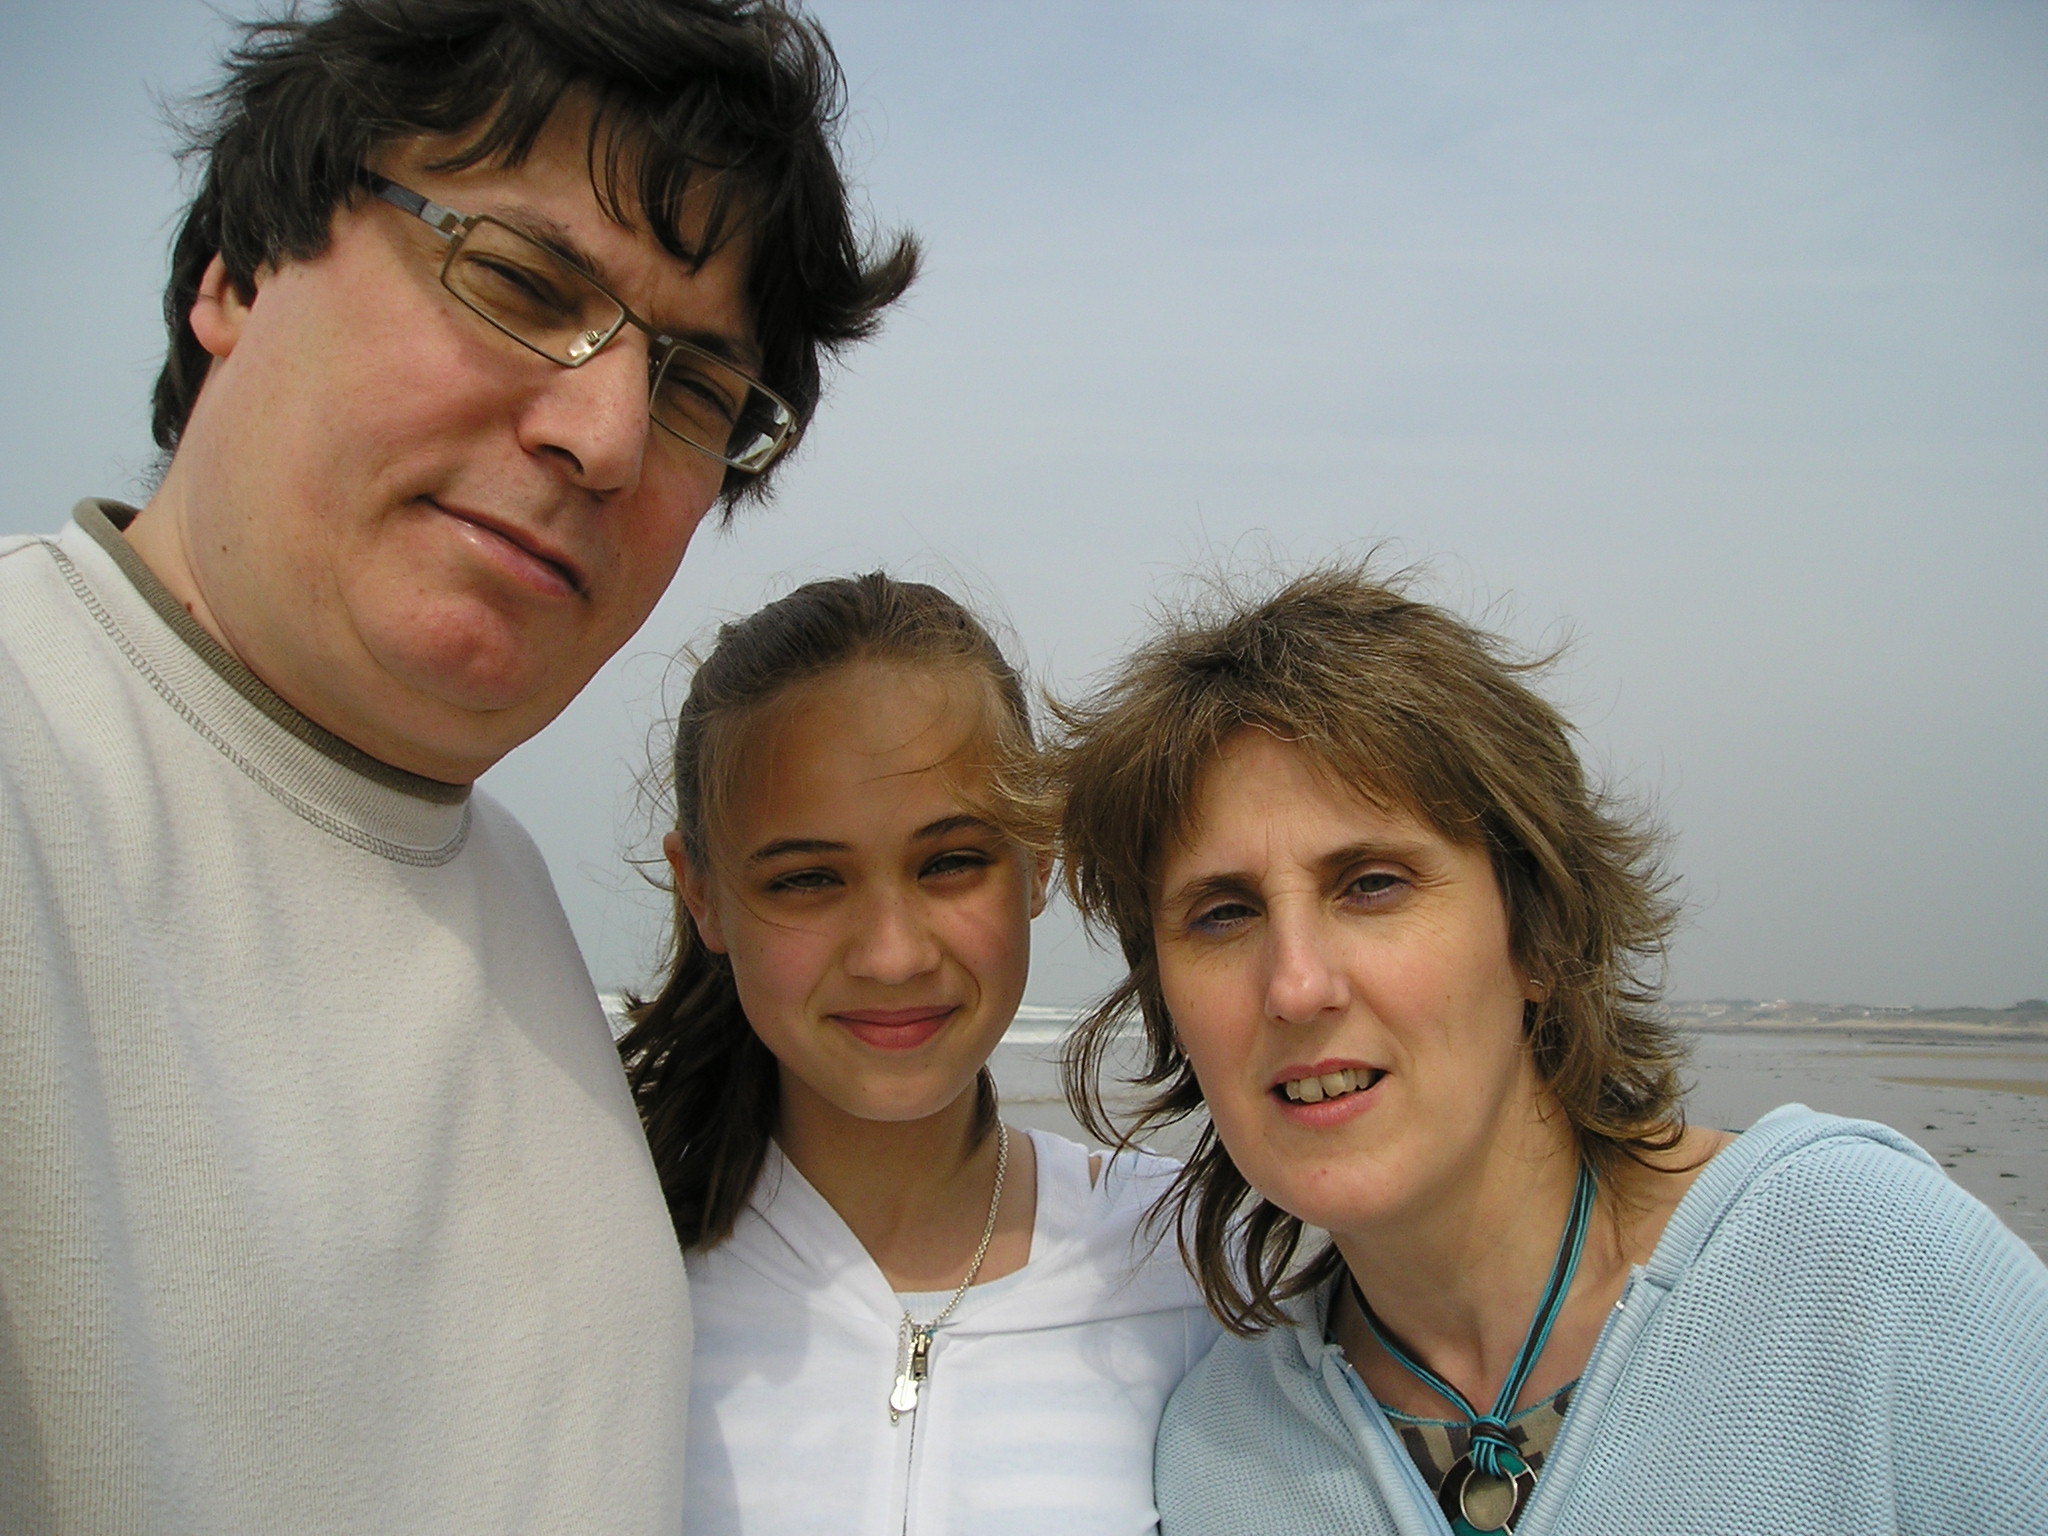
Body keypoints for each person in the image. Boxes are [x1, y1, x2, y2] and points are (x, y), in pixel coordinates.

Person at [0, 2, 916, 1531]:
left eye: (694, 391)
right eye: (521, 283)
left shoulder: (503, 890)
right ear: (238, 272)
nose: (605, 434)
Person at [1052, 566, 2048, 1535]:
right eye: (1223, 913)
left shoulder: (1869, 1273)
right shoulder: (1216, 1453)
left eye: (1372, 884)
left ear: (1538, 937)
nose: (1296, 985)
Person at [619, 573, 1218, 1534]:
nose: (892, 955)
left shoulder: (1190, 1263)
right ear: (703, 894)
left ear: (1039, 856)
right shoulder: (607, 1274)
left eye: (950, 863)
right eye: (807, 879)